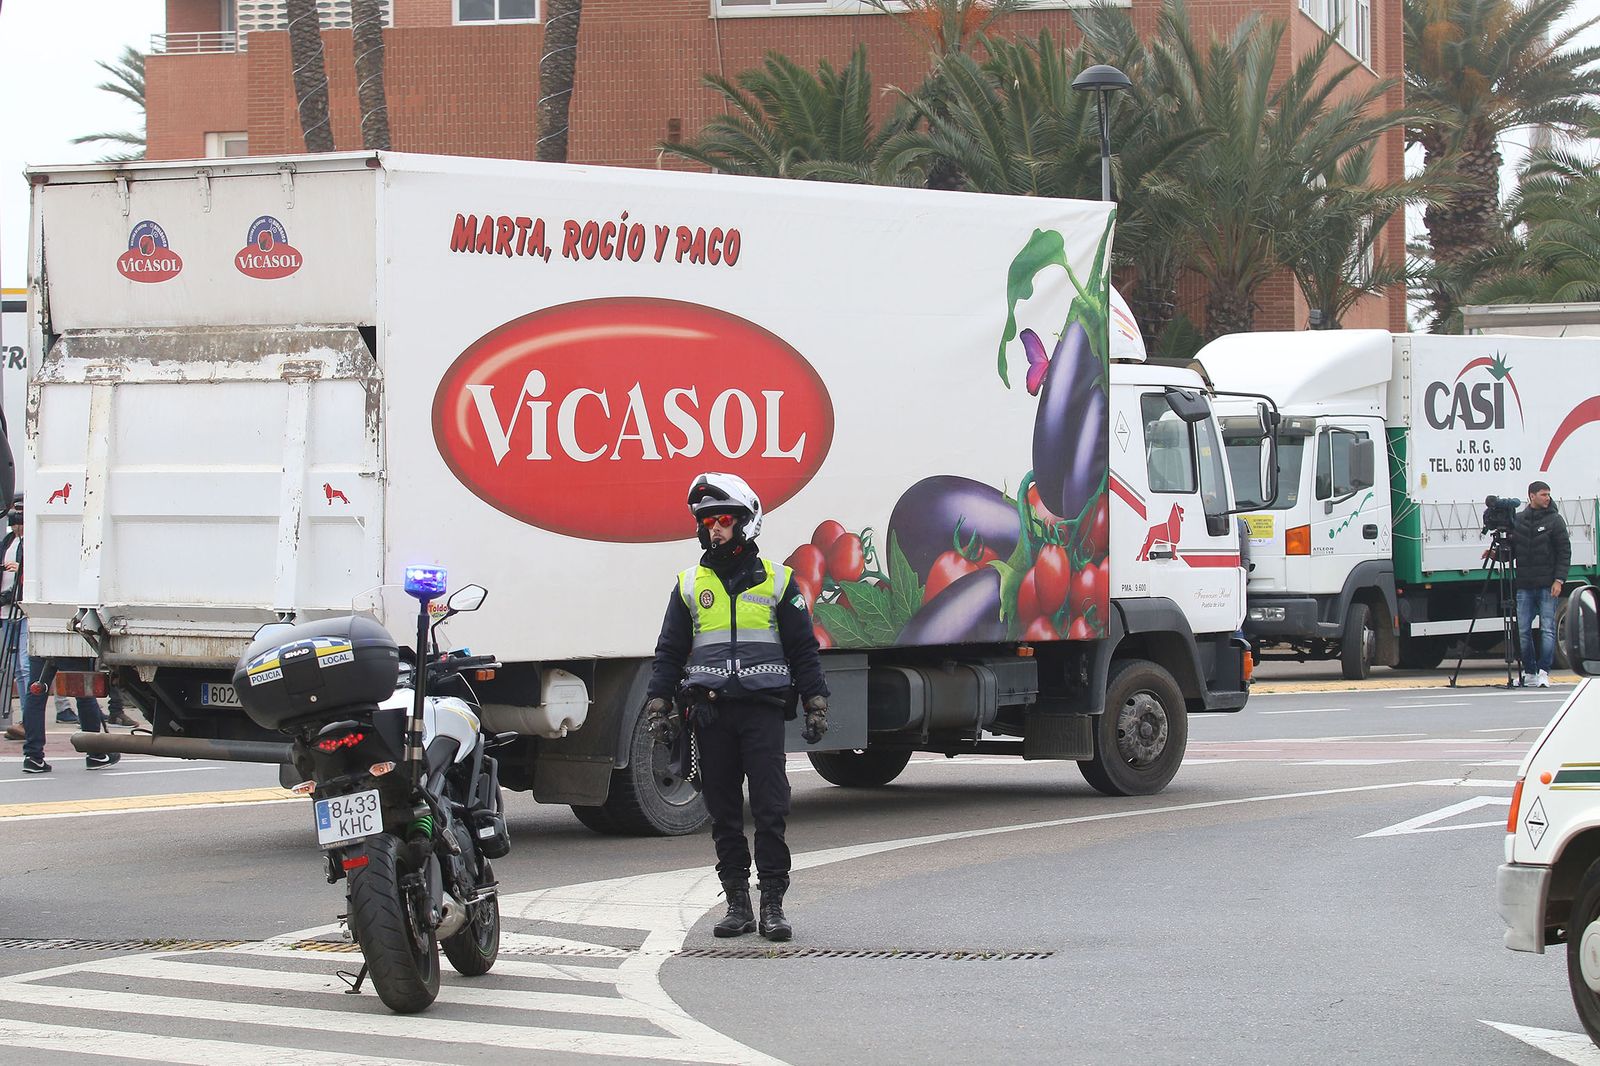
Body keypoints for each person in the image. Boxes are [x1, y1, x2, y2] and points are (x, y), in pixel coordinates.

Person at [646, 472, 830, 942]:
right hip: (709, 714)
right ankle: (737, 904)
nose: (714, 528)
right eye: (707, 522)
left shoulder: (779, 581)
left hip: (762, 711)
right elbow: (669, 651)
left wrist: (816, 701)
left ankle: (772, 905)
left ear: (747, 523)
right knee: (723, 812)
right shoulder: (688, 584)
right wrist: (658, 701)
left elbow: (803, 649)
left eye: (724, 519)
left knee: (770, 808)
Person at [1512, 480, 1571, 689]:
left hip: (1547, 584)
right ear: (1531, 496)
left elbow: (1564, 552)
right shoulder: (1518, 520)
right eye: (1543, 494)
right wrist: (1495, 554)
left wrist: (1559, 580)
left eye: (1548, 494)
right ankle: (1529, 672)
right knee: (1523, 630)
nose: (1547, 498)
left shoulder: (1555, 520)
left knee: (1547, 629)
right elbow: (1512, 551)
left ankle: (1544, 671)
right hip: (1525, 585)